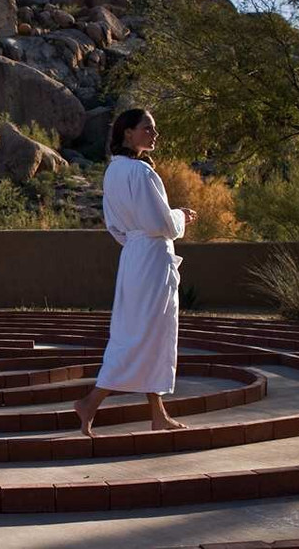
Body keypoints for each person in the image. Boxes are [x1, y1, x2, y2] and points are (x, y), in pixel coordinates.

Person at [73, 108, 198, 437]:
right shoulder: (141, 173)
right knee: (142, 334)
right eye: (148, 128)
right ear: (128, 132)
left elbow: (115, 225)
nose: (154, 134)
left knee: (146, 332)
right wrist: (181, 215)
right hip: (152, 257)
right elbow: (162, 224)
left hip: (133, 256)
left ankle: (158, 414)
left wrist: (139, 240)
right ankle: (90, 402)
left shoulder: (113, 172)